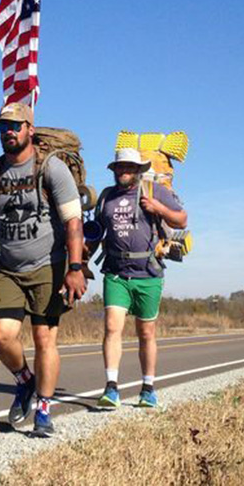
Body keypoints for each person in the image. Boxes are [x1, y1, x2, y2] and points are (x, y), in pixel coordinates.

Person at [0, 102, 87, 437]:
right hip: (9, 267)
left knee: (44, 338)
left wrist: (75, 268)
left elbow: (74, 222)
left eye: (15, 126)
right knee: (2, 336)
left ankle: (44, 410)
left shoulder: (51, 168)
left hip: (49, 264)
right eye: (3, 127)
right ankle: (25, 381)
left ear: (30, 129)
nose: (9, 132)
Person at [88, 148, 187, 408]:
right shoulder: (107, 197)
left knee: (146, 333)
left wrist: (158, 208)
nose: (123, 171)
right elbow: (97, 233)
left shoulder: (155, 191)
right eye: (120, 167)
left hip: (149, 272)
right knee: (112, 327)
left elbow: (182, 220)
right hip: (116, 273)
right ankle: (111, 388)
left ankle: (148, 388)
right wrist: (80, 265)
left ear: (139, 170)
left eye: (129, 167)